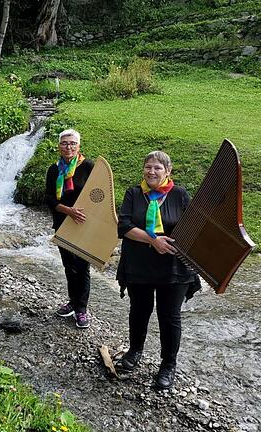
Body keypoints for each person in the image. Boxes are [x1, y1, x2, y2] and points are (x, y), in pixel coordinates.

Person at [115, 151, 199, 390]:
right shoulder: (133, 193)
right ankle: (134, 352)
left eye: (157, 168)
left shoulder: (180, 195)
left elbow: (193, 227)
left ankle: (168, 365)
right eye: (148, 167)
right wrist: (153, 241)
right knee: (139, 311)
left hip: (174, 268)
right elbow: (125, 227)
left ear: (168, 171)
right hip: (139, 265)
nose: (151, 172)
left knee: (169, 317)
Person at [44, 129, 95, 329]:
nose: (69, 147)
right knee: (68, 265)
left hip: (83, 224)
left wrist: (80, 213)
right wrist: (68, 211)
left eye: (73, 143)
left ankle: (82, 309)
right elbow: (49, 198)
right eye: (65, 143)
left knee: (82, 267)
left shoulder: (89, 167)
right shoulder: (54, 169)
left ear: (79, 146)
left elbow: (98, 195)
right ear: (59, 146)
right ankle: (72, 302)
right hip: (62, 222)